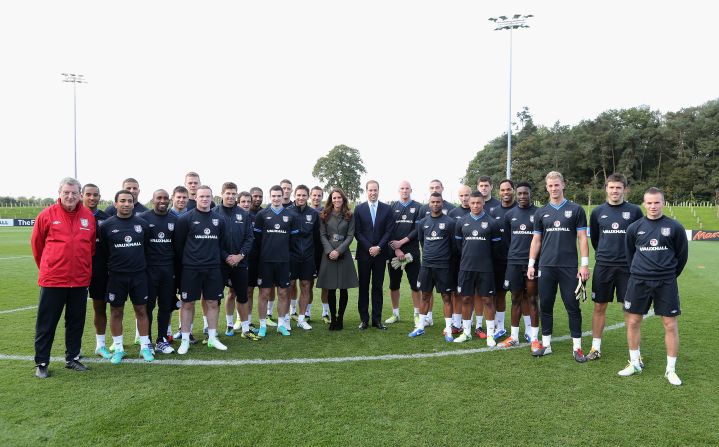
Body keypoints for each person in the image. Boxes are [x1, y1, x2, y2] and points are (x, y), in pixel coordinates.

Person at [619, 187, 688, 386]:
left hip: (666, 281)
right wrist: (640, 271)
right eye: (649, 203)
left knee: (670, 324)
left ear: (663, 203)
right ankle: (634, 363)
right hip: (639, 280)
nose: (653, 206)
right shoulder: (634, 227)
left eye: (657, 202)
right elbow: (629, 254)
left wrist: (669, 274)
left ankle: (671, 370)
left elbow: (681, 256)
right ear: (644, 204)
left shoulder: (674, 227)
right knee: (633, 322)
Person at [31, 177, 96, 378]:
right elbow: (37, 246)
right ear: (59, 193)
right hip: (53, 280)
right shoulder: (46, 215)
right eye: (66, 192)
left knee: (76, 322)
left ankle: (73, 358)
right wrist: (51, 267)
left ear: (79, 195)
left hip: (79, 280)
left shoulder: (88, 216)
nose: (70, 196)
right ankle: (42, 362)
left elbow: (91, 247)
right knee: (46, 323)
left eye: (74, 193)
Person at [527, 171, 590, 362]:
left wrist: (584, 265)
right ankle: (546, 345)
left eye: (557, 185)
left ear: (563, 185)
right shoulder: (541, 212)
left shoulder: (576, 209)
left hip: (569, 267)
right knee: (545, 305)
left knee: (572, 306)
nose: (553, 189)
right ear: (546, 187)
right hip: (546, 266)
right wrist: (531, 264)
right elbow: (536, 240)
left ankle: (577, 348)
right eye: (550, 186)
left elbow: (582, 238)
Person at [586, 173, 643, 360]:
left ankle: (635, 354)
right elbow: (595, 239)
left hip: (627, 268)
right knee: (599, 306)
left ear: (625, 189)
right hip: (603, 266)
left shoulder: (634, 211)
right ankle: (595, 348)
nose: (615, 191)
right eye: (611, 187)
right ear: (606, 189)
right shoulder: (597, 212)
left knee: (629, 310)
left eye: (618, 187)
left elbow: (638, 237)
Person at [97, 190, 154, 364]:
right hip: (116, 277)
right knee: (116, 311)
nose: (126, 204)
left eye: (129, 201)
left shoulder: (142, 224)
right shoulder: (106, 225)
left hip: (139, 275)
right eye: (122, 201)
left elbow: (145, 249)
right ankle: (119, 348)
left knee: (141, 310)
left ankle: (145, 347)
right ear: (116, 204)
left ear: (133, 202)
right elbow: (104, 252)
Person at [174, 185, 228, 354]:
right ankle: (185, 339)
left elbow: (222, 244)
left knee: (212, 302)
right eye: (201, 196)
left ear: (212, 198)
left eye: (208, 196)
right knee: (188, 303)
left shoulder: (219, 219)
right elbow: (179, 245)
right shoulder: (185, 219)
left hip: (213, 268)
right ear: (195, 198)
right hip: (191, 268)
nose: (205, 199)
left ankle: (212, 337)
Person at [453, 191, 501, 345]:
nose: (475, 205)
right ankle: (466, 332)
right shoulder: (461, 222)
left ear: (483, 203)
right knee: (466, 298)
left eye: (478, 203)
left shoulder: (492, 223)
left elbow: (496, 248)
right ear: (469, 203)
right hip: (466, 268)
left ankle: (490, 335)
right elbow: (459, 246)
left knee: (487, 300)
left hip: (485, 268)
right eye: (472, 203)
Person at [498, 182, 540, 350]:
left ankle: (535, 338)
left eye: (525, 193)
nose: (522, 196)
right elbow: (508, 240)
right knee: (515, 299)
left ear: (530, 194)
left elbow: (540, 240)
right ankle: (513, 336)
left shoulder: (538, 213)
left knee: (532, 299)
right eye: (520, 193)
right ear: (516, 194)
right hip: (514, 263)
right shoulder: (510, 215)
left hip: (532, 264)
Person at [253, 185, 300, 337]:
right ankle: (262, 325)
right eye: (273, 196)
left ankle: (281, 324)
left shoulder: (290, 215)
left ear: (283, 195)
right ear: (270, 196)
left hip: (284, 261)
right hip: (266, 261)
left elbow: (293, 240)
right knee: (264, 294)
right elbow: (258, 239)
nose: (276, 198)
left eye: (279, 196)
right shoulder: (262, 214)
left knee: (283, 293)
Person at [213, 183, 258, 341]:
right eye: (228, 193)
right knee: (217, 297)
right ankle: (225, 326)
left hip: (240, 262)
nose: (231, 196)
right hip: (219, 263)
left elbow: (249, 238)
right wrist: (226, 256)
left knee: (242, 295)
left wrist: (240, 256)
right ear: (222, 194)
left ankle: (245, 329)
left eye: (233, 193)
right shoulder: (213, 213)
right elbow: (214, 240)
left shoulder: (244, 214)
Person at [409, 192, 457, 338]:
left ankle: (448, 329)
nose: (435, 204)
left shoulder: (450, 222)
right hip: (427, 265)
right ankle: (421, 326)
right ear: (429, 203)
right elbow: (422, 242)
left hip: (443, 266)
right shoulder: (423, 222)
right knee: (425, 295)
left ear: (442, 203)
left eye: (438, 202)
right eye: (433, 202)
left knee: (446, 297)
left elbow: (453, 246)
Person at [139, 189, 178, 355]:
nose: (162, 201)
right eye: (159, 198)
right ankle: (146, 341)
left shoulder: (176, 219)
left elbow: (178, 246)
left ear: (169, 201)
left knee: (165, 306)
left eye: (165, 198)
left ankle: (161, 340)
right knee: (148, 306)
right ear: (152, 200)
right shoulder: (143, 219)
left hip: (168, 270)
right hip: (149, 270)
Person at [316, 188, 359, 330]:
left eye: (339, 198)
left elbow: (350, 235)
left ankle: (340, 318)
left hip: (343, 254)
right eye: (334, 198)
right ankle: (333, 318)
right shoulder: (324, 215)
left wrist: (339, 251)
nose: (336, 200)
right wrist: (330, 251)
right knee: (331, 289)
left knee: (343, 288)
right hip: (328, 254)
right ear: (330, 199)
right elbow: (322, 235)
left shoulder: (349, 215)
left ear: (343, 199)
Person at [354, 180, 394, 330]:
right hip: (364, 255)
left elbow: (389, 231)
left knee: (377, 287)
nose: (373, 193)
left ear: (379, 191)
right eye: (370, 190)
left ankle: (377, 320)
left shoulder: (386, 209)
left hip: (380, 255)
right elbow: (357, 232)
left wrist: (378, 247)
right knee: (363, 287)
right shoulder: (359, 209)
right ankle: (364, 319)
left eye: (375, 190)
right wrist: (369, 247)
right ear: (366, 191)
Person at [81, 183, 112, 359]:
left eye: (95, 195)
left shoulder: (105, 218)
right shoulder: (75, 215)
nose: (92, 198)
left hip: (100, 271)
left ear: (100, 197)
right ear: (81, 195)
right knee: (75, 310)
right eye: (88, 194)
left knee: (99, 307)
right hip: (77, 271)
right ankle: (74, 348)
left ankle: (100, 345)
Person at [386, 180, 422, 325]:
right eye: (402, 188)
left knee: (415, 285)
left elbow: (418, 229)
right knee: (394, 285)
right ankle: (395, 314)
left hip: (412, 252)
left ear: (411, 190)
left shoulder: (419, 207)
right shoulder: (391, 207)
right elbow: (388, 230)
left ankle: (417, 314)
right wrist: (397, 248)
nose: (405, 190)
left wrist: (402, 242)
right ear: (398, 190)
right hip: (394, 252)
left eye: (407, 188)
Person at [488, 179, 518, 341]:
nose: (505, 192)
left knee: (519, 295)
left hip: (516, 260)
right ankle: (500, 327)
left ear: (513, 190)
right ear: (499, 192)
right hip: (497, 261)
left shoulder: (519, 210)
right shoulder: (493, 212)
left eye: (508, 189)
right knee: (498, 294)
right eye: (502, 190)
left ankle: (527, 328)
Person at [288, 185, 320, 330]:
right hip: (291, 257)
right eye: (298, 195)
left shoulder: (313, 214)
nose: (301, 198)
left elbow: (317, 237)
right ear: (295, 195)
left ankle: (302, 318)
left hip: (308, 257)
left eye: (304, 195)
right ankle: (287, 317)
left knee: (306, 286)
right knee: (289, 286)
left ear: (308, 197)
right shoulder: (287, 212)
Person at [446, 185, 472, 335]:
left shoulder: (478, 210)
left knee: (472, 292)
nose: (464, 198)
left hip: (472, 259)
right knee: (456, 291)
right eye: (461, 196)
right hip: (456, 258)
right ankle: (456, 323)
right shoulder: (453, 213)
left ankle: (472, 321)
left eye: (467, 195)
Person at [309, 185, 330, 323]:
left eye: (319, 195)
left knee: (325, 285)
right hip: (309, 254)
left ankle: (325, 313)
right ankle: (306, 313)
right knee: (307, 284)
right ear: (310, 196)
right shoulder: (305, 211)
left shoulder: (327, 212)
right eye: (314, 195)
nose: (316, 198)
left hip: (324, 254)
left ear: (322, 197)